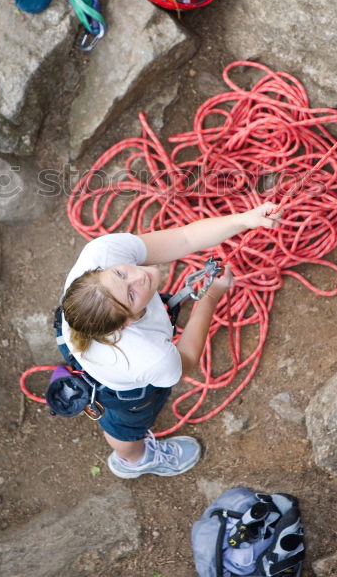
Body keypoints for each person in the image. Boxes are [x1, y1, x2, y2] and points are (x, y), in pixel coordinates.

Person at [58, 202, 281, 479]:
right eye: (130, 295)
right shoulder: (150, 357)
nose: (141, 274)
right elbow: (185, 361)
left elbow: (183, 238)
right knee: (124, 424)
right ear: (126, 323)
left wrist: (244, 220)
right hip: (121, 390)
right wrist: (209, 298)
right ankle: (132, 459)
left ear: (96, 272)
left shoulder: (102, 253)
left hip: (71, 339)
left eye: (120, 273)